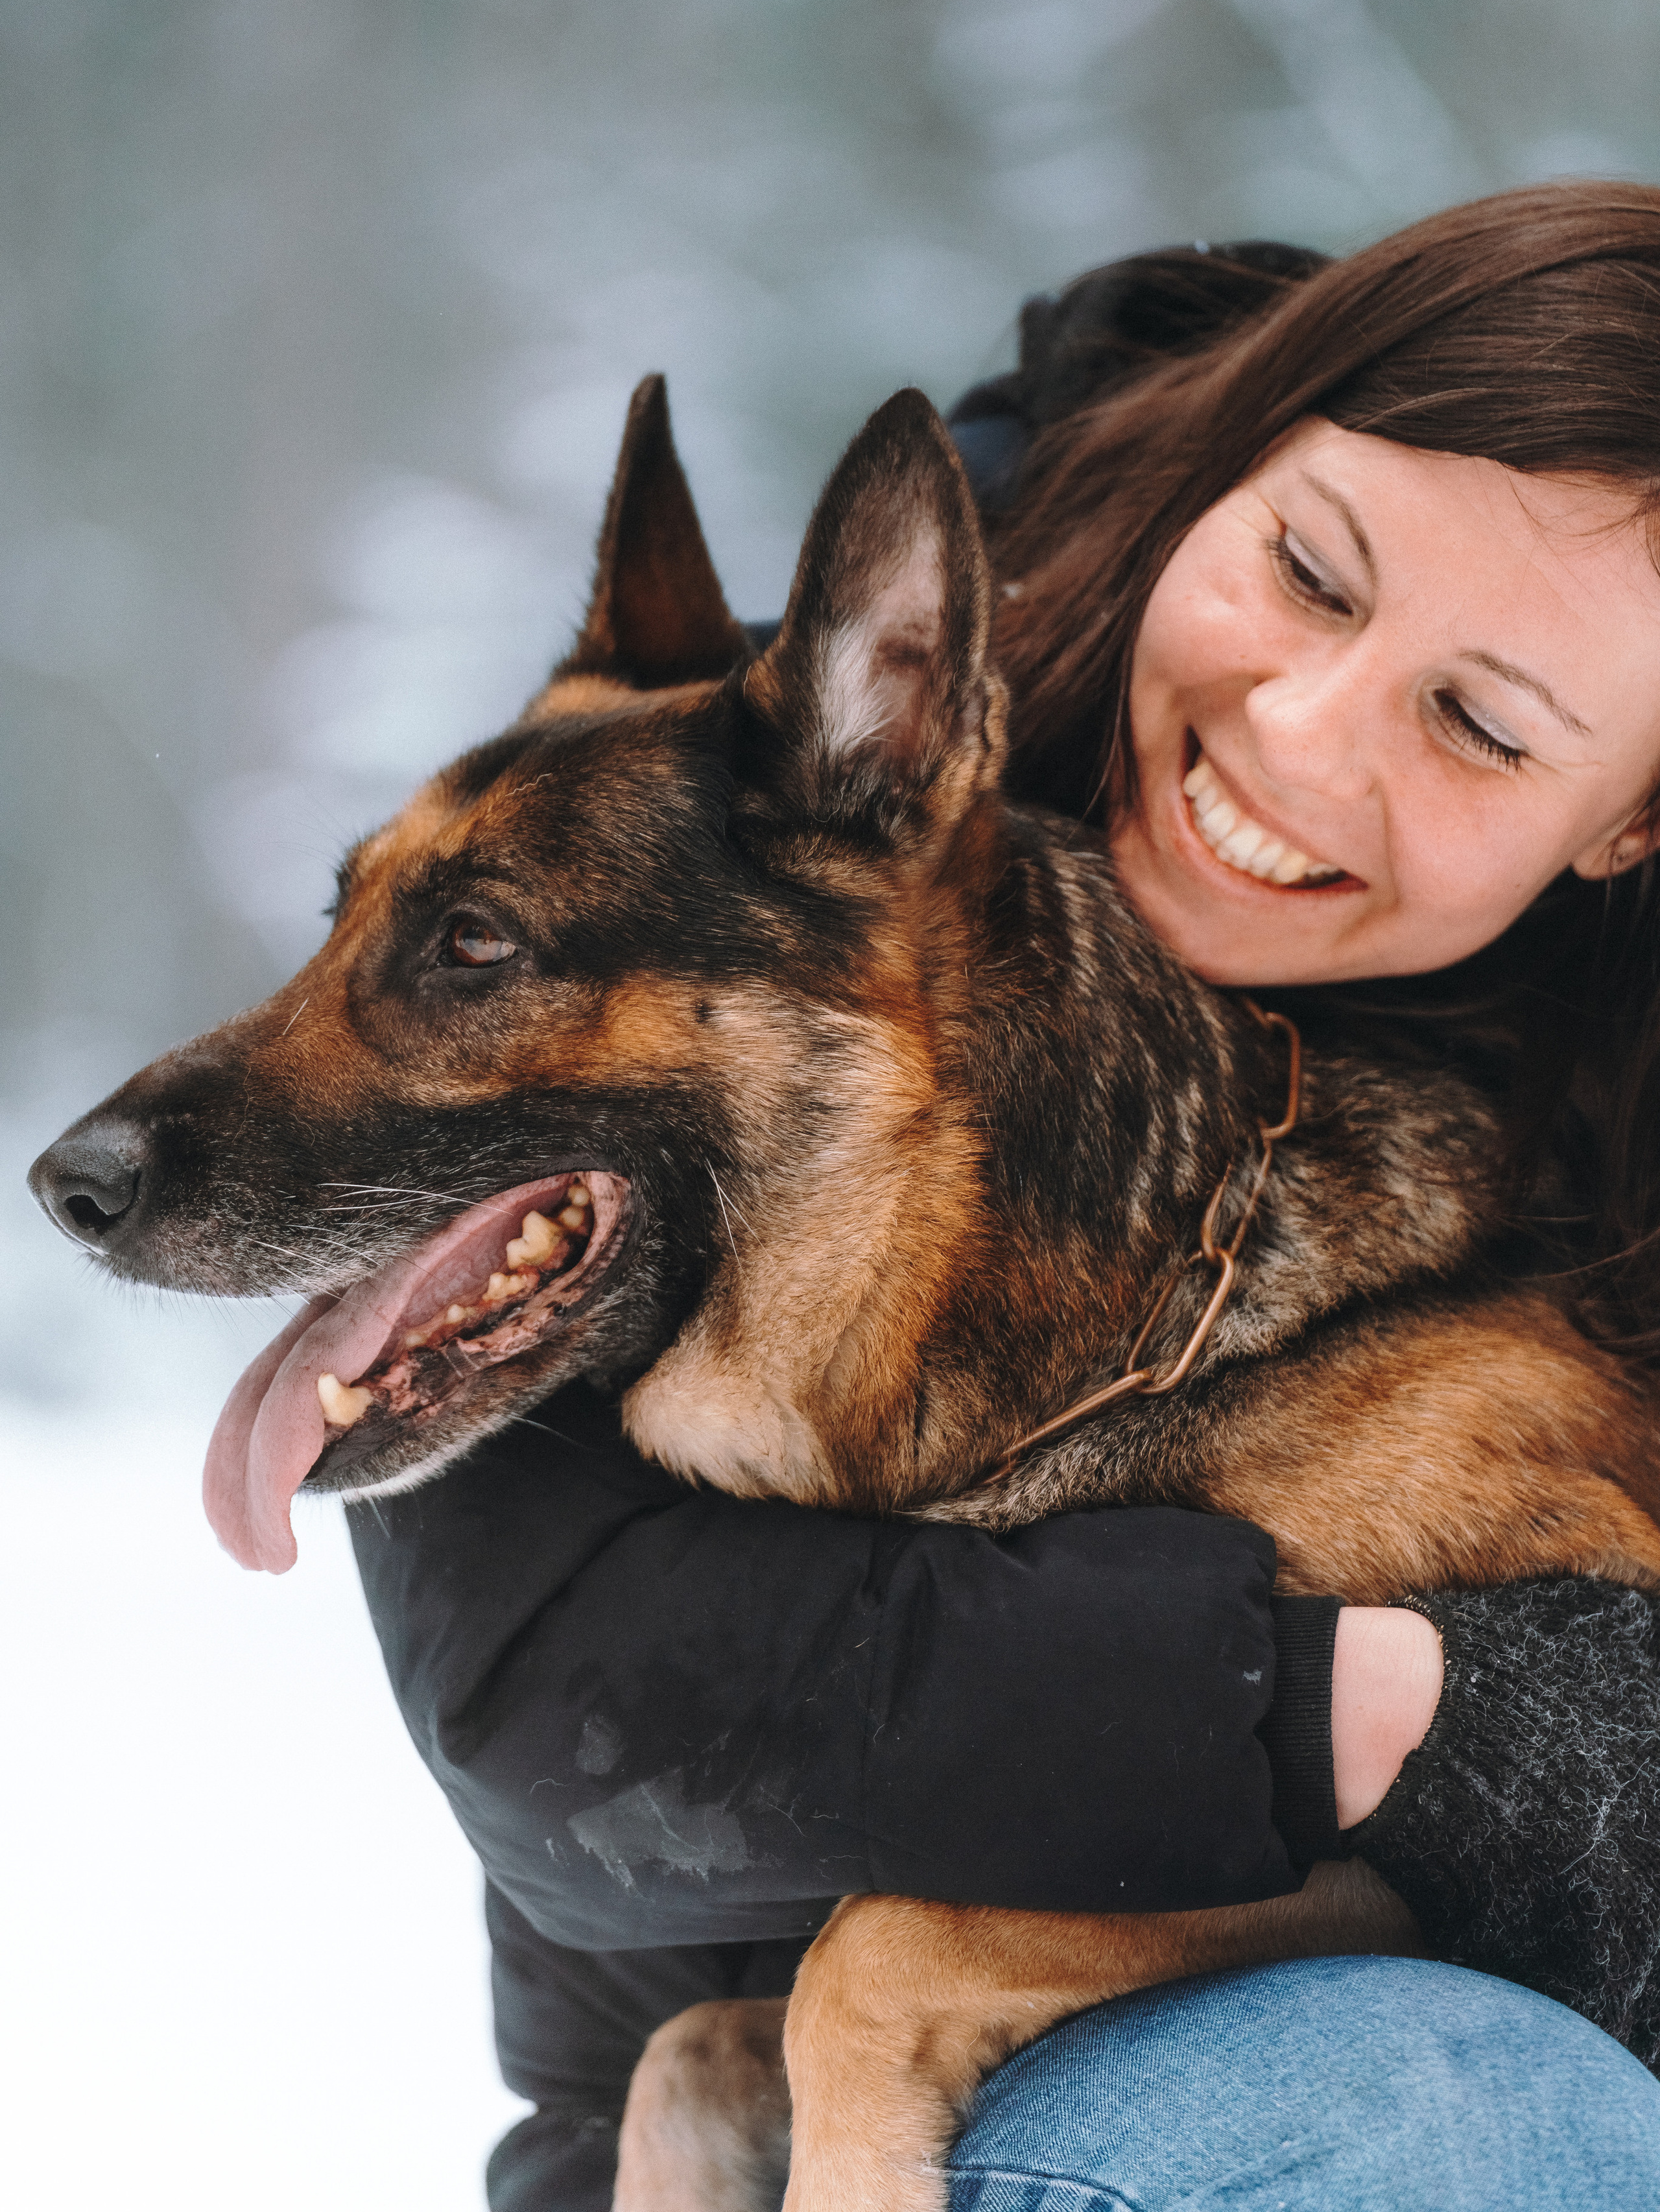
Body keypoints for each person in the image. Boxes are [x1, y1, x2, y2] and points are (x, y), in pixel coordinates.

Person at [350, 184, 1660, 2211]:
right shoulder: (766, 809)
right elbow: (556, 1691)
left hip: (1412, 2098)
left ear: (1635, 821)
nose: (1301, 743)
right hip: (739, 2110)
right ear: (1231, 455)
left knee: (1462, 2102)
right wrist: (1332, 1701)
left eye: (1481, 726)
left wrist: (1529, 1723)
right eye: (1311, 574)